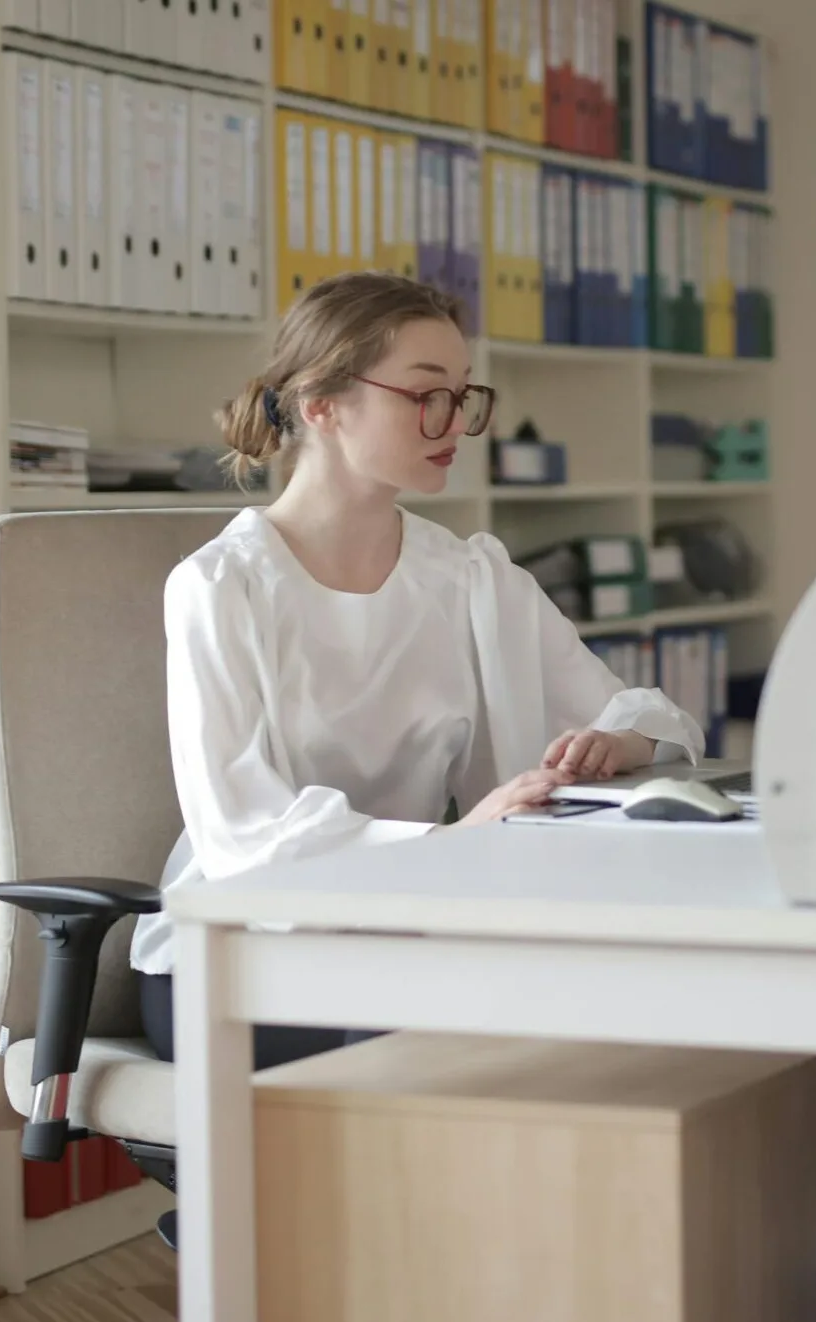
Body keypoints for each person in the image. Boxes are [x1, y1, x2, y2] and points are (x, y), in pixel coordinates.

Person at [130, 271, 708, 1066]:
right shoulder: (221, 586)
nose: (454, 422)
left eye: (463, 396)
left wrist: (617, 743)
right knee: (474, 1028)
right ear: (321, 404)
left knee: (607, 993)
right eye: (425, 394)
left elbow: (648, 717)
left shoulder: (471, 576)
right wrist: (449, 842)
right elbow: (242, 836)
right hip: (239, 955)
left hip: (414, 927)